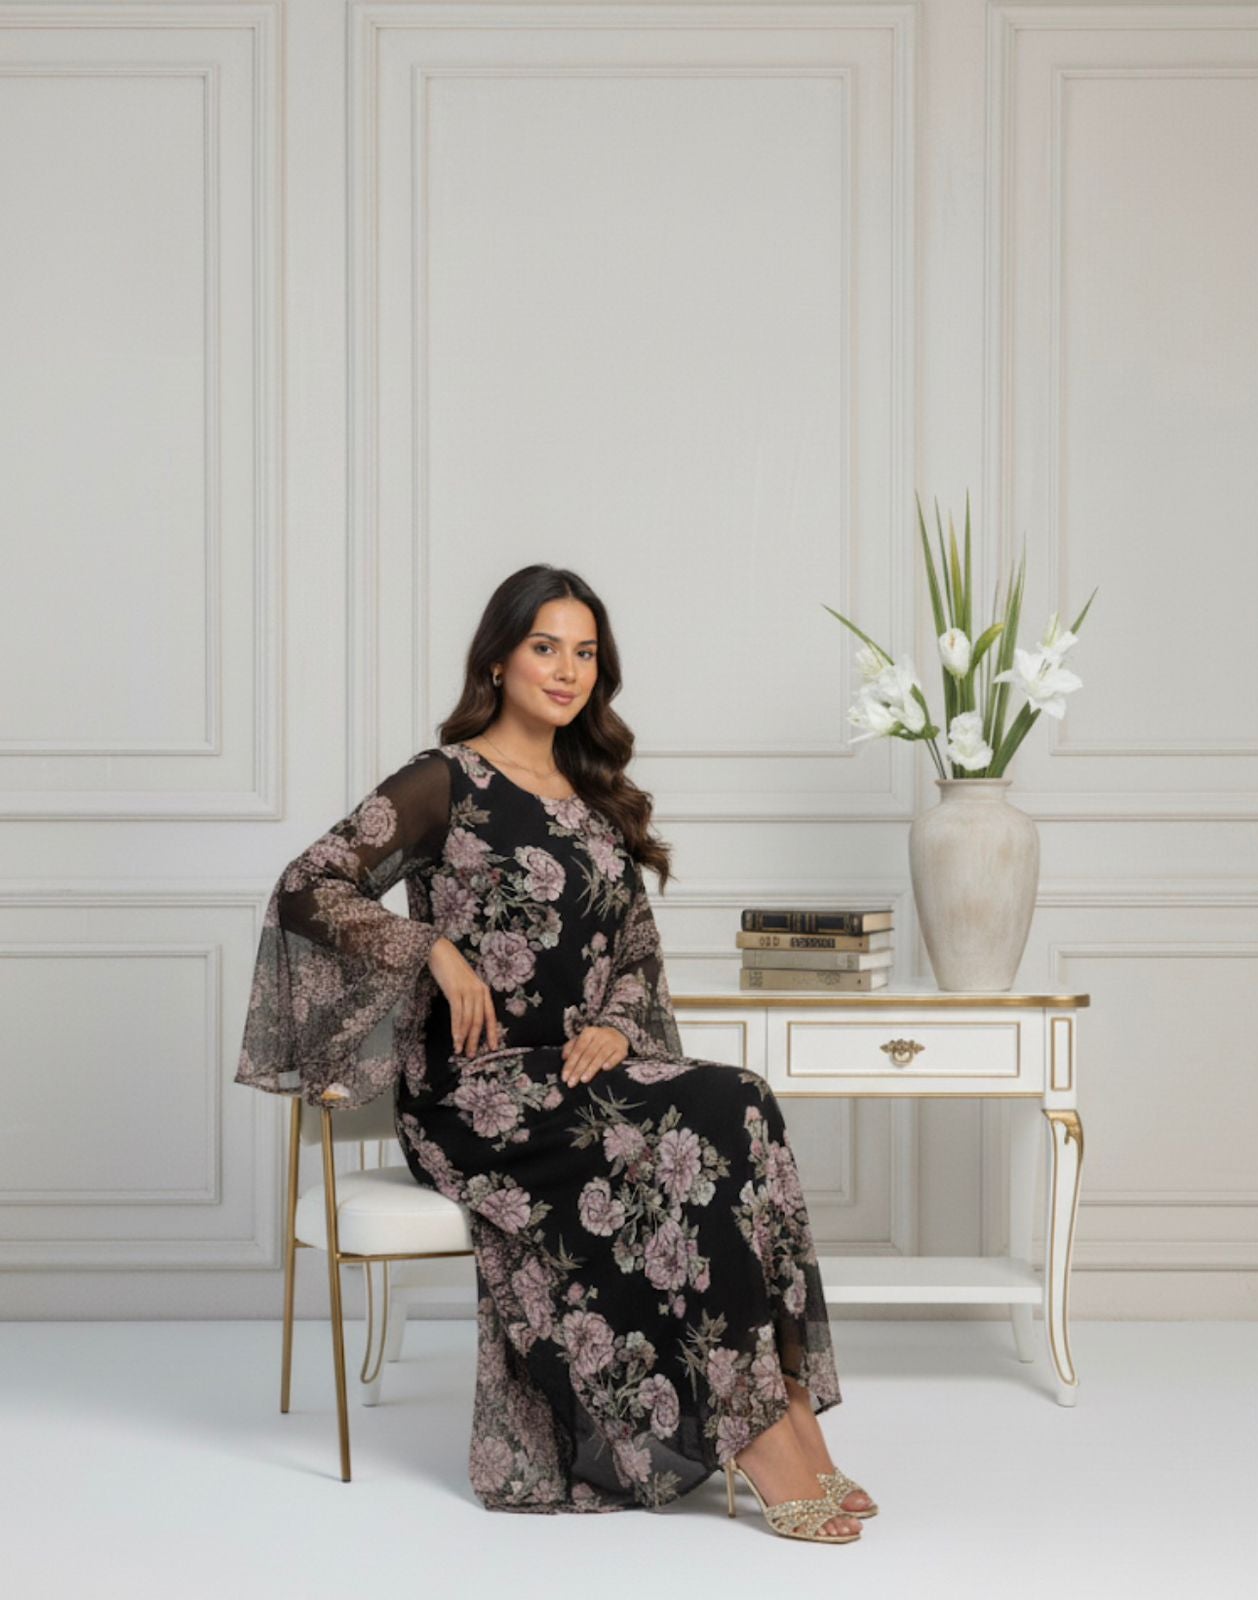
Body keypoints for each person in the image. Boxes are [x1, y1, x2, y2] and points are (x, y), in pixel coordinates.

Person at [235, 563, 877, 1540]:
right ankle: (759, 1437)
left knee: (741, 1099)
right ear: (497, 658)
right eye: (545, 646)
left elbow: (635, 954)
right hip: (475, 1096)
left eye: (584, 651)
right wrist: (431, 949)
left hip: (581, 1077)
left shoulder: (595, 797)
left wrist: (620, 1022)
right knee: (712, 1112)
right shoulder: (442, 779)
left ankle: (783, 1408)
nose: (566, 668)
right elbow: (307, 884)